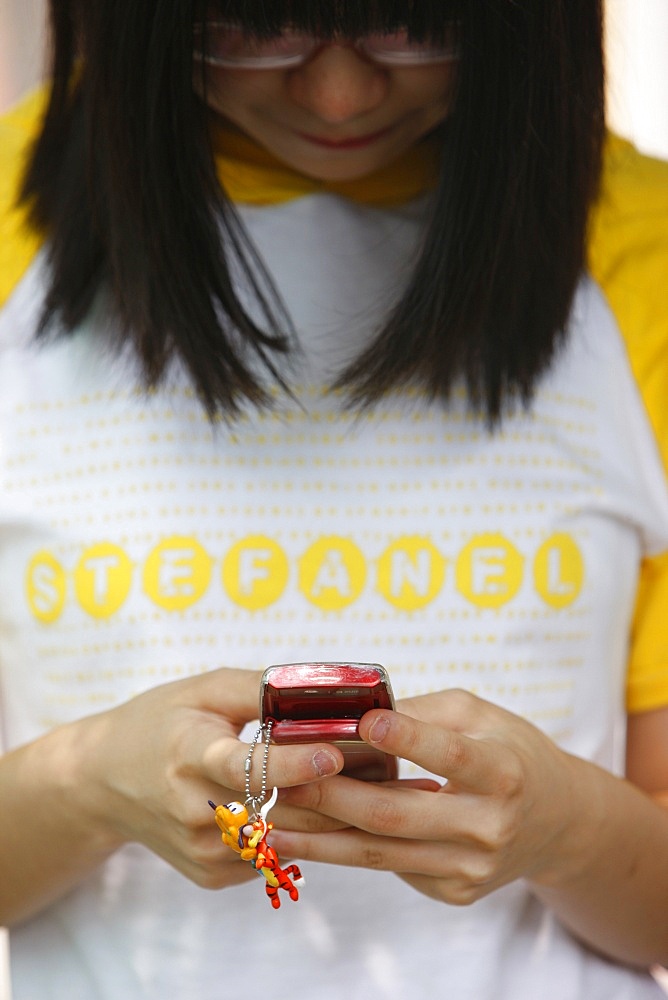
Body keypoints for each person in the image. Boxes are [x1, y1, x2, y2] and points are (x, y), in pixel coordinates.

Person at [0, 1, 667, 997]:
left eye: (414, 20)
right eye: (250, 21)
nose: (338, 94)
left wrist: (566, 825)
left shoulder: (638, 246)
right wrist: (90, 787)